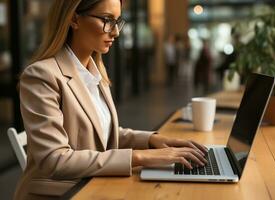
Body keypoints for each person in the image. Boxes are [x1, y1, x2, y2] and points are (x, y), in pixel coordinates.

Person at [15, 0, 208, 199]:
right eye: (107, 20)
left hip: (95, 185)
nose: (115, 32)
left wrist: (153, 140)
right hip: (62, 193)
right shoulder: (41, 76)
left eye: (117, 21)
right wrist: (139, 156)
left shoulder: (96, 70)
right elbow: (55, 159)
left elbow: (103, 134)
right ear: (74, 18)